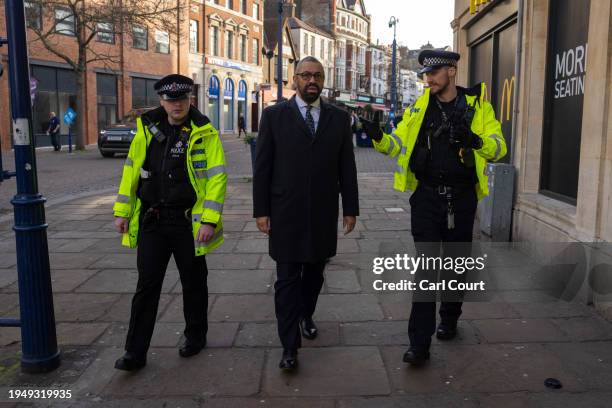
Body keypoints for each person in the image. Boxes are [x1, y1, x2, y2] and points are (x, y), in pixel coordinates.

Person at [361, 50, 506, 366]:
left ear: (452, 71)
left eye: (434, 72)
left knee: (456, 267)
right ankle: (419, 343)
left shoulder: (478, 107)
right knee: (425, 269)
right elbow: (397, 145)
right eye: (425, 73)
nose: (427, 78)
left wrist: (476, 141)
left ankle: (450, 317)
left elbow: (499, 147)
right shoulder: (418, 109)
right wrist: (378, 136)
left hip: (462, 198)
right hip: (426, 198)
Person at [112, 74, 227, 371]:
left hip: (189, 223)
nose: (176, 105)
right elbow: (131, 171)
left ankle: (195, 336)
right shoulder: (147, 129)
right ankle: (135, 353)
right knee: (146, 287)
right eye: (170, 100)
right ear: (161, 101)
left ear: (191, 99)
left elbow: (217, 178)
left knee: (194, 283)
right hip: (153, 220)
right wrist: (122, 212)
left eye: (182, 99)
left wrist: (210, 220)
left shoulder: (205, 132)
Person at [253, 56, 359, 371]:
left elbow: (347, 167)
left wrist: (350, 208)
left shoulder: (339, 118)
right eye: (306, 75)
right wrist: (261, 211)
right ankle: (289, 346)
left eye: (318, 75)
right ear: (295, 79)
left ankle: (305, 314)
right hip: (284, 212)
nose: (312, 80)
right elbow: (262, 167)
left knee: (314, 274)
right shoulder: (274, 116)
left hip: (323, 212)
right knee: (287, 279)